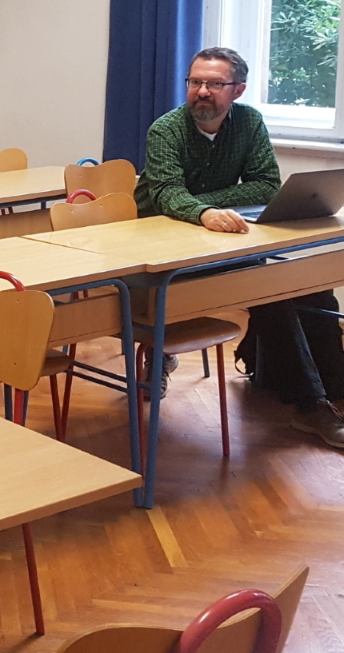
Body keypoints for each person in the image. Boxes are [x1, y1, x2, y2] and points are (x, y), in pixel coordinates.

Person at [135, 47, 344, 447]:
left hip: (215, 236)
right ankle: (310, 404)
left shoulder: (248, 122)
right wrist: (203, 211)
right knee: (268, 289)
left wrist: (204, 205)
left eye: (215, 84)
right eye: (196, 82)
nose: (202, 91)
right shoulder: (166, 129)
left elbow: (266, 185)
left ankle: (326, 395)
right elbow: (165, 195)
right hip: (159, 245)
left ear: (238, 90)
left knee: (297, 286)